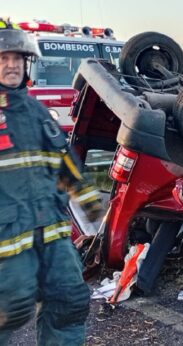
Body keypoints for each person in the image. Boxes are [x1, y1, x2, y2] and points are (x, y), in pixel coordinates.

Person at [0, 18, 101, 345]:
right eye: (3, 58)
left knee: (70, 299)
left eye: (17, 58)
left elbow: (63, 159)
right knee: (10, 308)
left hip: (52, 230)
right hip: (7, 237)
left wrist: (88, 199)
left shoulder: (37, 111)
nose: (12, 65)